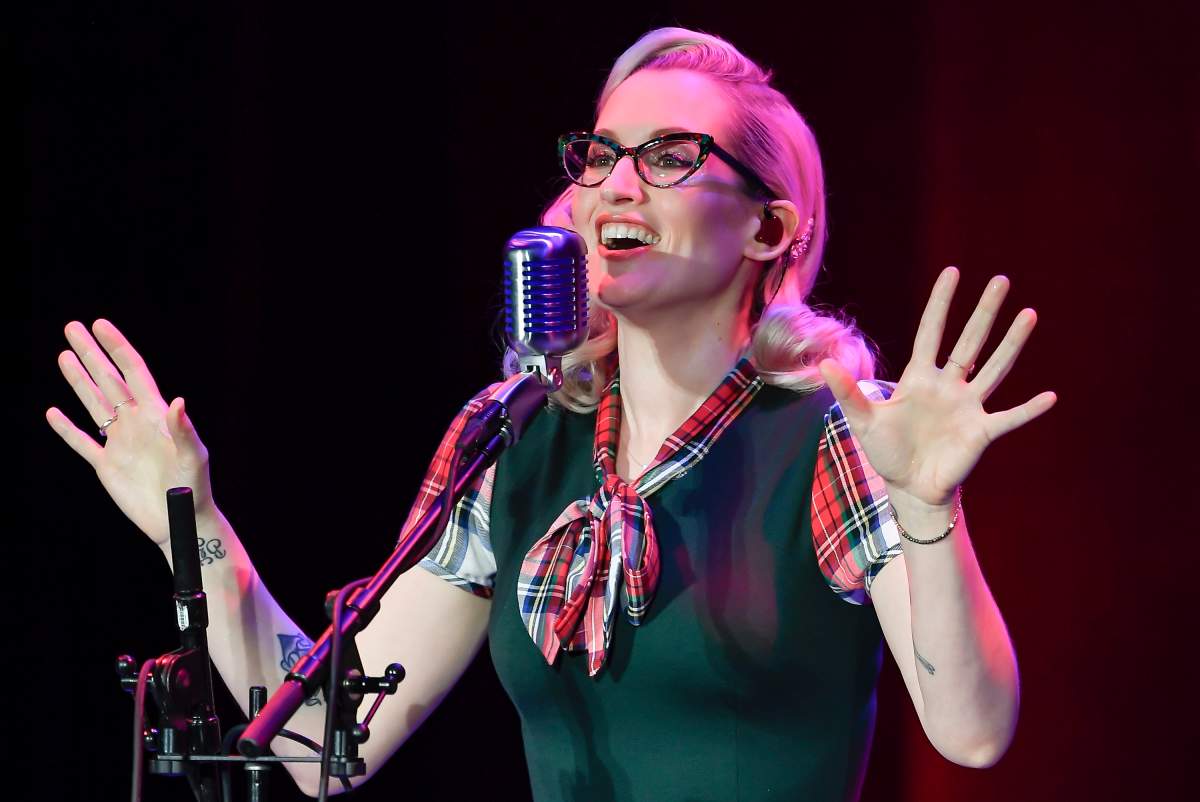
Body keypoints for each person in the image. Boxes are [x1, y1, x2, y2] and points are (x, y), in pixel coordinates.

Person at [46, 27, 1055, 802]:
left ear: (767, 227)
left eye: (667, 157)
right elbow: (318, 748)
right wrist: (196, 522)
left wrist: (930, 506)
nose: (615, 183)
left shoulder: (834, 428)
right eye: (600, 154)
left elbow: (971, 732)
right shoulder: (515, 430)